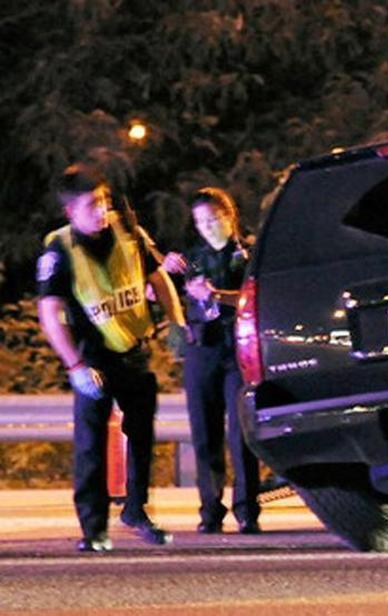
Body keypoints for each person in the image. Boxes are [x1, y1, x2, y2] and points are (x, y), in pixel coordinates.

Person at [37, 163, 187, 552]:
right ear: (71, 211)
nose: (102, 210)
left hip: (134, 351)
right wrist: (74, 366)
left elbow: (158, 277)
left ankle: (136, 510)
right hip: (92, 359)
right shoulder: (59, 250)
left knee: (141, 437)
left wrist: (176, 322)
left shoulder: (128, 232)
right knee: (91, 445)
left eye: (104, 200)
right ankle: (93, 529)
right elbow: (50, 312)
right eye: (91, 204)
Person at [166, 187, 261, 534]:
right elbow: (158, 289)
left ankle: (247, 510)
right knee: (204, 432)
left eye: (213, 219)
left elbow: (254, 297)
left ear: (229, 215)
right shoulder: (193, 259)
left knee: (241, 433)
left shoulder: (248, 253)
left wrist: (217, 295)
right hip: (202, 348)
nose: (208, 227)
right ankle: (210, 511)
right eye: (200, 222)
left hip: (237, 350)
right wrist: (165, 270)